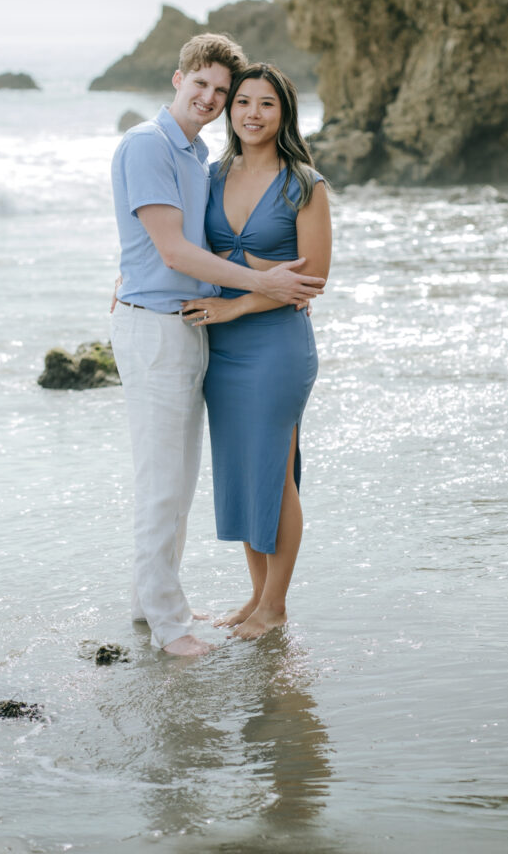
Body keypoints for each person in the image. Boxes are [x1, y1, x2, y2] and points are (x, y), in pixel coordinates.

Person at [110, 36, 327, 657]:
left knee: (252, 476)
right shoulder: (173, 155)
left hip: (241, 337)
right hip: (182, 330)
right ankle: (182, 611)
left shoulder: (242, 168)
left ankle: (256, 604)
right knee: (192, 479)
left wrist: (263, 289)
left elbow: (284, 270)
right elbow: (172, 248)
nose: (229, 106)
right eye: (213, 91)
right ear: (178, 81)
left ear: (282, 113)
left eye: (234, 95)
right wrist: (263, 283)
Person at [182, 62, 332, 640]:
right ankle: (255, 594)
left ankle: (276, 606)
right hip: (221, 348)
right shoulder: (210, 175)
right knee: (243, 473)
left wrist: (238, 304)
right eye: (242, 101)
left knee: (275, 473)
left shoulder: (305, 184)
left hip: (276, 347)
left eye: (266, 103)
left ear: (284, 113)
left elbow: (313, 277)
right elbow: (183, 249)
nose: (251, 113)